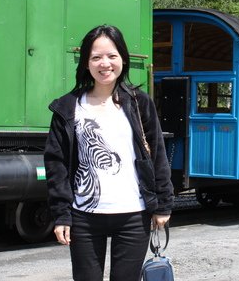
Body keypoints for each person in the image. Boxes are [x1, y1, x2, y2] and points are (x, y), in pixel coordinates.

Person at [44, 25, 174, 281]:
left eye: (112, 56)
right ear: (86, 63)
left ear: (123, 59)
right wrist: (62, 214)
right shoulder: (68, 107)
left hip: (133, 215)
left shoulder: (139, 102)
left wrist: (163, 204)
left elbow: (157, 154)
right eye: (96, 57)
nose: (105, 63)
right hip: (84, 216)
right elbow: (56, 164)